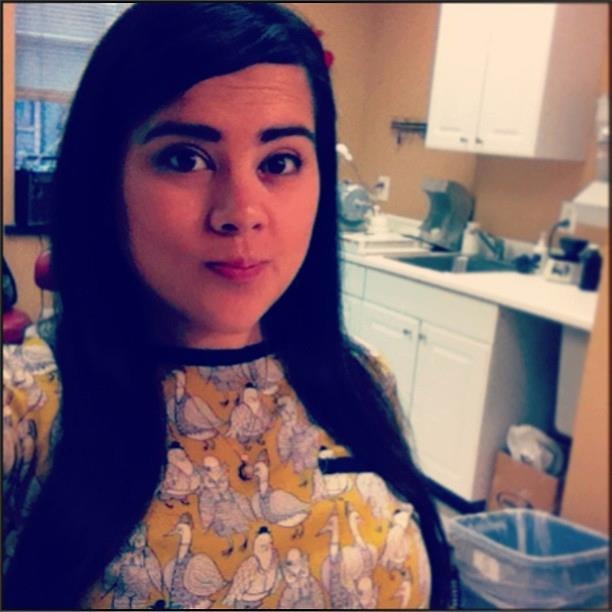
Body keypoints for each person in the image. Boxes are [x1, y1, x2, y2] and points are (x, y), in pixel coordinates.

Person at [3, 3, 454, 609]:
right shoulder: (27, 410)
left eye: (279, 162)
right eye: (185, 158)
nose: (241, 212)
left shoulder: (361, 378)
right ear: (104, 178)